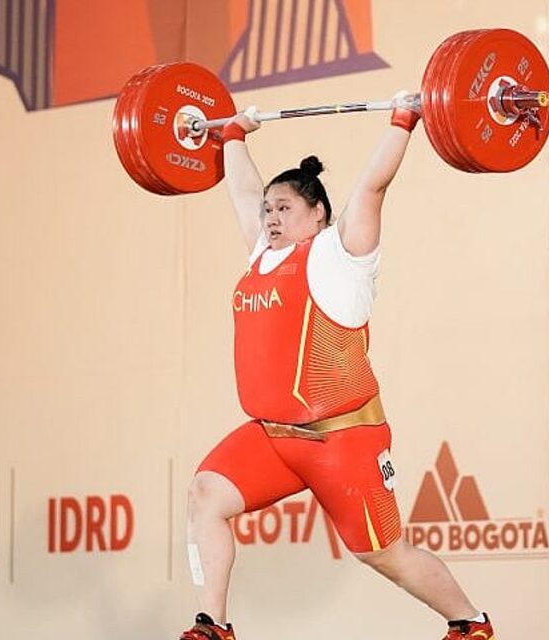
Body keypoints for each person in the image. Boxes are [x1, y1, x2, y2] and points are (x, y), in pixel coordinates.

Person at [180, 92, 496, 640]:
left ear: (318, 214)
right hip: (274, 437)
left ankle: (470, 623)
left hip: (342, 440)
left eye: (284, 209)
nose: (271, 217)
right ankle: (214, 627)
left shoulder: (341, 256)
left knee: (383, 553)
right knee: (206, 494)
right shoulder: (262, 255)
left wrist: (403, 119)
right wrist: (232, 134)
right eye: (269, 210)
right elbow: (243, 191)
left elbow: (372, 187)